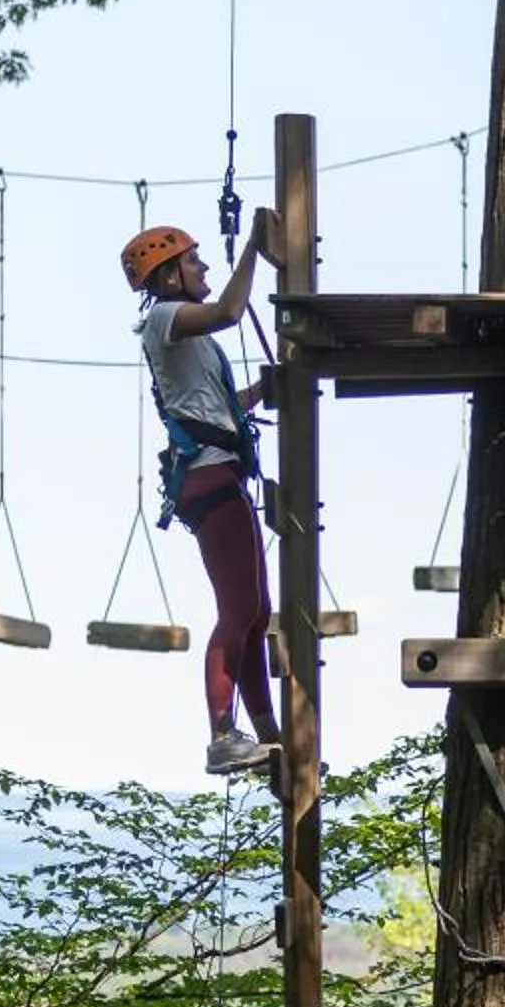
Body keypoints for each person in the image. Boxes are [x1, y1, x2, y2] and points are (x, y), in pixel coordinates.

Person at [121, 212, 281, 778]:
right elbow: (230, 312)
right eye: (192, 260)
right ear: (167, 278)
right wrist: (256, 250)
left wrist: (263, 390)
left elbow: (214, 408)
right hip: (209, 477)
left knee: (257, 612)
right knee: (239, 611)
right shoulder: (164, 318)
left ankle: (265, 734)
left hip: (218, 474)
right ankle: (221, 736)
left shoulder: (189, 341)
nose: (204, 265)